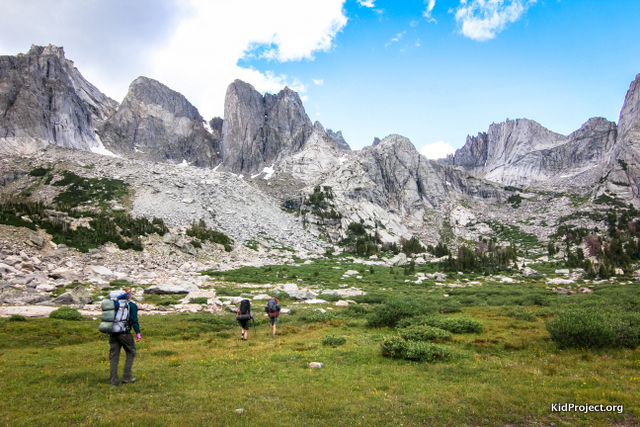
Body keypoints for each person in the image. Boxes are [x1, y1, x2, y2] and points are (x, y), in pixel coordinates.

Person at [109, 287, 141, 386]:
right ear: (129, 295)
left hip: (112, 332)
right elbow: (134, 320)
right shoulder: (131, 305)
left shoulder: (113, 304)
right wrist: (138, 333)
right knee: (131, 352)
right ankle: (127, 376)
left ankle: (113, 380)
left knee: (114, 356)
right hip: (125, 332)